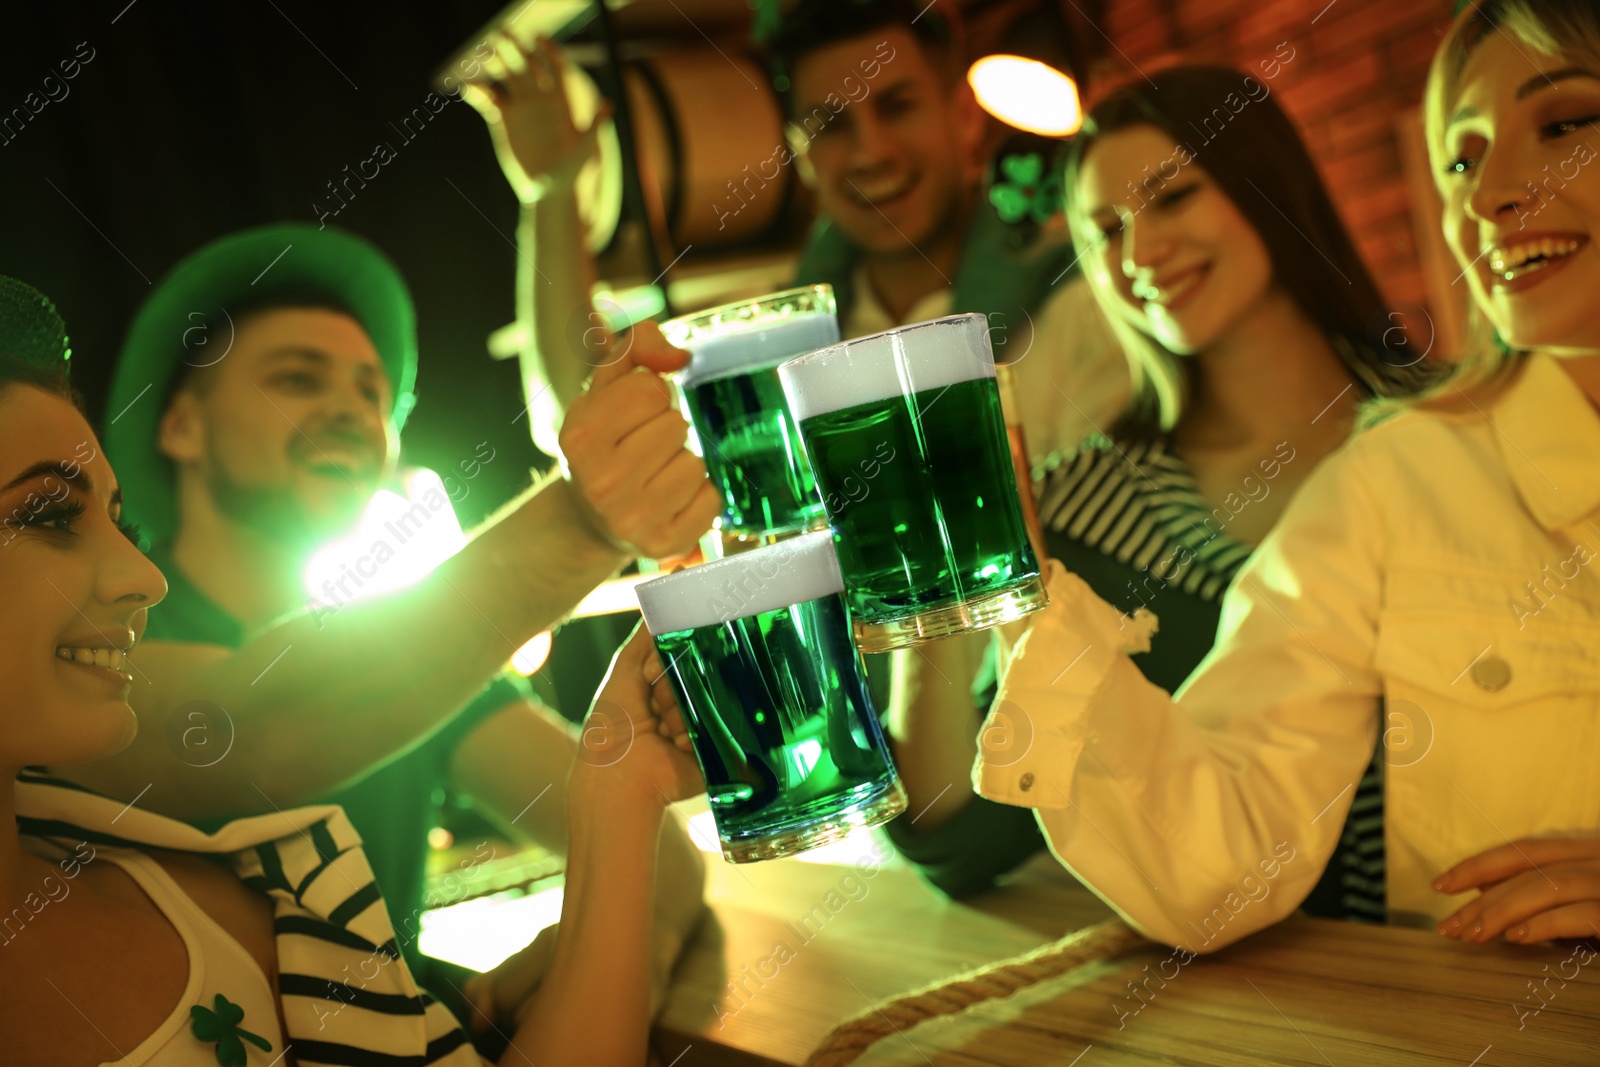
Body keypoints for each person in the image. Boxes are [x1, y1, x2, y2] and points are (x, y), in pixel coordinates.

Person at [961, 0, 1600, 952]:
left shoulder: (1390, 417)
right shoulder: (1392, 476)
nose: (1485, 193)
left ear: (1267, 190)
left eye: (1564, 124)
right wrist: (1004, 580)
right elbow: (1219, 848)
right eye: (1459, 160)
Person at [1, 276, 705, 1066]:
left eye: (374, 392)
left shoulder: (412, 660)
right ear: (181, 424)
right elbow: (258, 728)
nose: (350, 410)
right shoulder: (101, 651)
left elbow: (650, 829)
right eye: (297, 378)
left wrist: (620, 955)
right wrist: (585, 519)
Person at [883, 65, 1437, 918]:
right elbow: (957, 832)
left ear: (1266, 190)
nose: (1138, 254)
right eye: (1104, 231)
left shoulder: (1454, 439)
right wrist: (941, 544)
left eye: (1172, 198)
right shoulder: (1087, 505)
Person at [468, 0, 1129, 474]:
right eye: (830, 124)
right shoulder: (778, 346)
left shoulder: (1090, 292)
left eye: (897, 107)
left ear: (962, 115)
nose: (870, 151)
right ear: (800, 156)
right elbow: (590, 422)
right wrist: (553, 194)